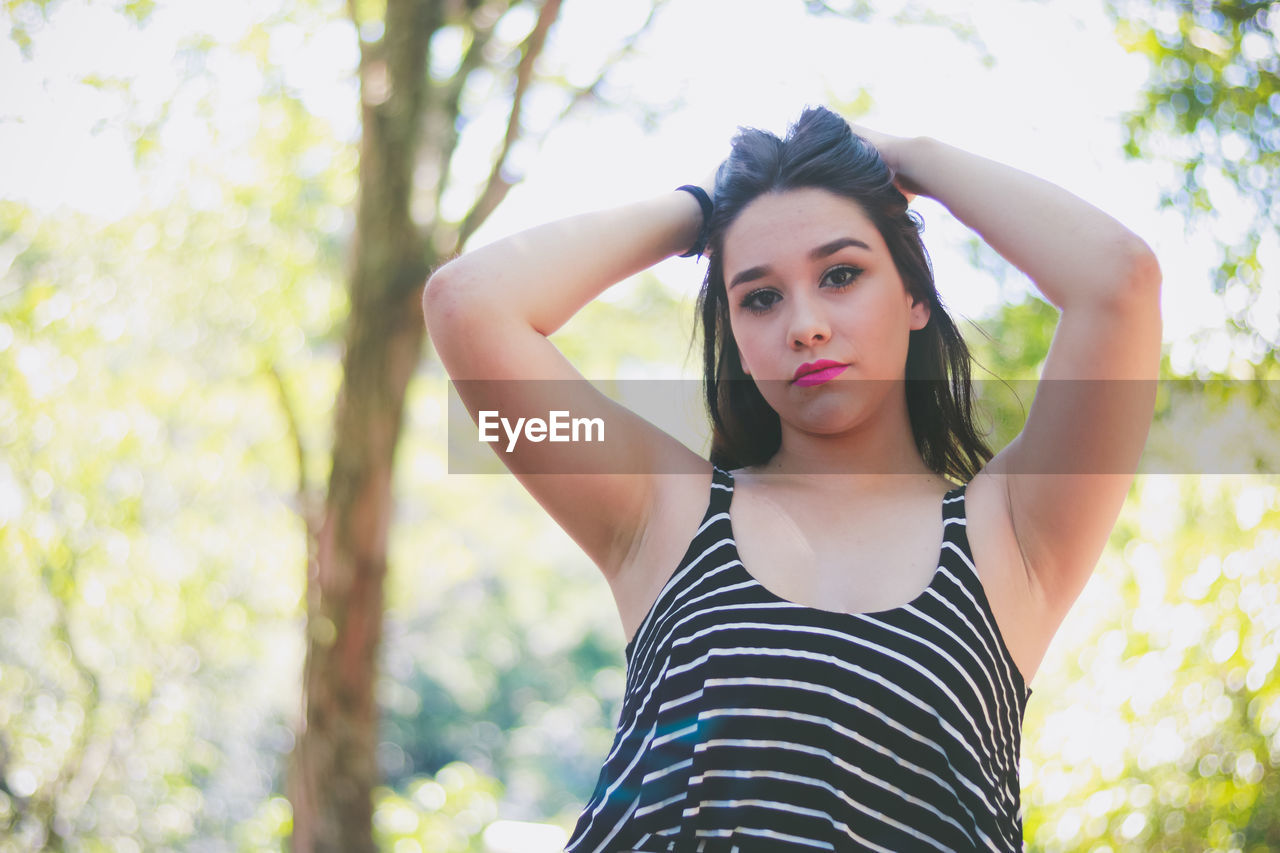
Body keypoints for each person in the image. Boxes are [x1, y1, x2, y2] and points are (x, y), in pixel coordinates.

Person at [423, 106, 1161, 852]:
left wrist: (912, 158)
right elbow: (467, 302)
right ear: (737, 340)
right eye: (760, 296)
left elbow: (1121, 281)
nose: (803, 324)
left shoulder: (1014, 531)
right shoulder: (658, 508)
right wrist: (706, 211)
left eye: (841, 274)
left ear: (913, 298)